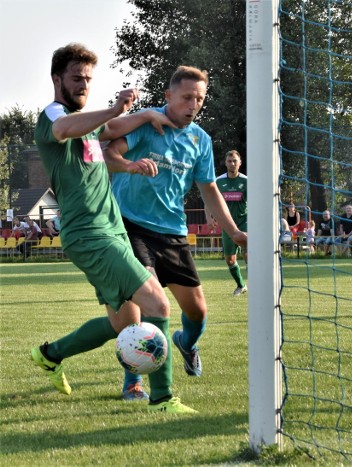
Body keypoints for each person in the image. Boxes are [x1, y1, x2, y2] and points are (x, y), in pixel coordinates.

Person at [31, 43, 197, 413]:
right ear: (57, 78)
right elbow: (65, 128)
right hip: (91, 235)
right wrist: (116, 109)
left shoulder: (88, 124)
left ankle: (49, 355)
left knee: (125, 321)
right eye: (76, 78)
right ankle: (163, 398)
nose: (83, 85)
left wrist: (147, 116)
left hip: (111, 230)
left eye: (88, 79)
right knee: (157, 303)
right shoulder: (54, 115)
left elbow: (112, 129)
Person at [104, 66, 247, 399]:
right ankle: (134, 383)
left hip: (172, 234)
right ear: (168, 96)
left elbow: (209, 189)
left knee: (197, 311)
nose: (193, 104)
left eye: (199, 98)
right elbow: (108, 152)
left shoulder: (201, 140)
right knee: (149, 304)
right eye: (186, 97)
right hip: (131, 226)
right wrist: (129, 165)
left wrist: (236, 232)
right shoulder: (147, 124)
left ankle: (185, 342)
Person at [216, 150, 248, 296]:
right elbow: (209, 199)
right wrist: (209, 218)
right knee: (230, 260)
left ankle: (257, 287)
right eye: (230, 161)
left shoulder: (246, 181)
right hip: (227, 226)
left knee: (249, 255)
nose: (232, 163)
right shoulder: (218, 181)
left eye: (235, 160)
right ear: (226, 163)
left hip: (245, 223)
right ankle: (241, 285)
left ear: (240, 163)